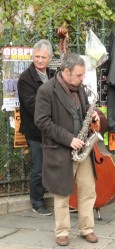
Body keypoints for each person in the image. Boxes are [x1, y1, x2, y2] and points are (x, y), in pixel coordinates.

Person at [34, 53, 99, 246]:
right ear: (66, 72)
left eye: (83, 75)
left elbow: (84, 108)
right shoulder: (46, 90)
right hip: (61, 149)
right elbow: (42, 121)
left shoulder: (78, 87)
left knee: (88, 190)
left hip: (83, 149)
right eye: (79, 75)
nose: (82, 79)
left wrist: (92, 114)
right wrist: (68, 139)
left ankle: (87, 228)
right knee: (61, 193)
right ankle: (62, 231)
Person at [17, 39, 54, 216]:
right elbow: (33, 106)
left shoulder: (54, 74)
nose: (39, 60)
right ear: (32, 57)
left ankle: (60, 197)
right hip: (35, 130)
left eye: (43, 57)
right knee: (38, 167)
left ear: (50, 58)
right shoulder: (25, 78)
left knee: (55, 165)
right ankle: (37, 202)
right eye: (37, 56)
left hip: (53, 129)